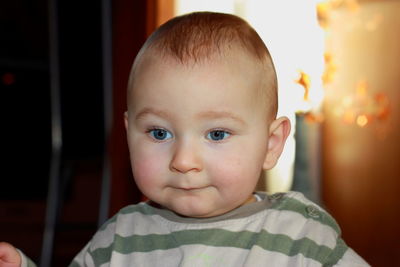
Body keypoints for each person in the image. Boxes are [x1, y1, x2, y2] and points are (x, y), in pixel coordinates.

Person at [0, 12, 369, 267]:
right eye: (159, 133)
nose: (184, 160)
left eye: (217, 134)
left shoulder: (300, 234)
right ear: (129, 135)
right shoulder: (120, 238)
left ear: (271, 144)